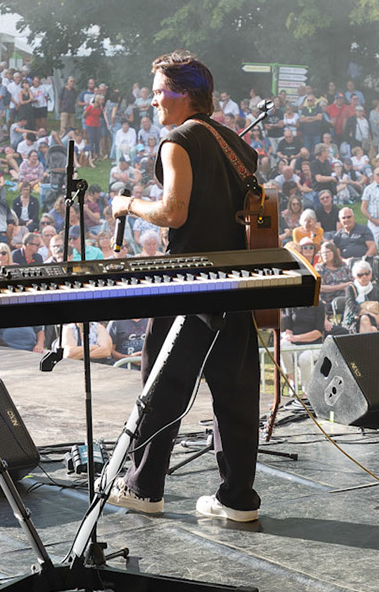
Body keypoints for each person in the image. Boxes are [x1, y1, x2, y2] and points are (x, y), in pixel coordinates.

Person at [105, 51, 264, 523]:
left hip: (190, 282)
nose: (153, 101)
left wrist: (129, 205)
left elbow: (174, 213)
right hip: (237, 281)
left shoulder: (178, 141)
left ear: (186, 95)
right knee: (236, 392)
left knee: (163, 384)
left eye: (159, 92)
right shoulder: (234, 143)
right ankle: (238, 499)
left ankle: (144, 487)